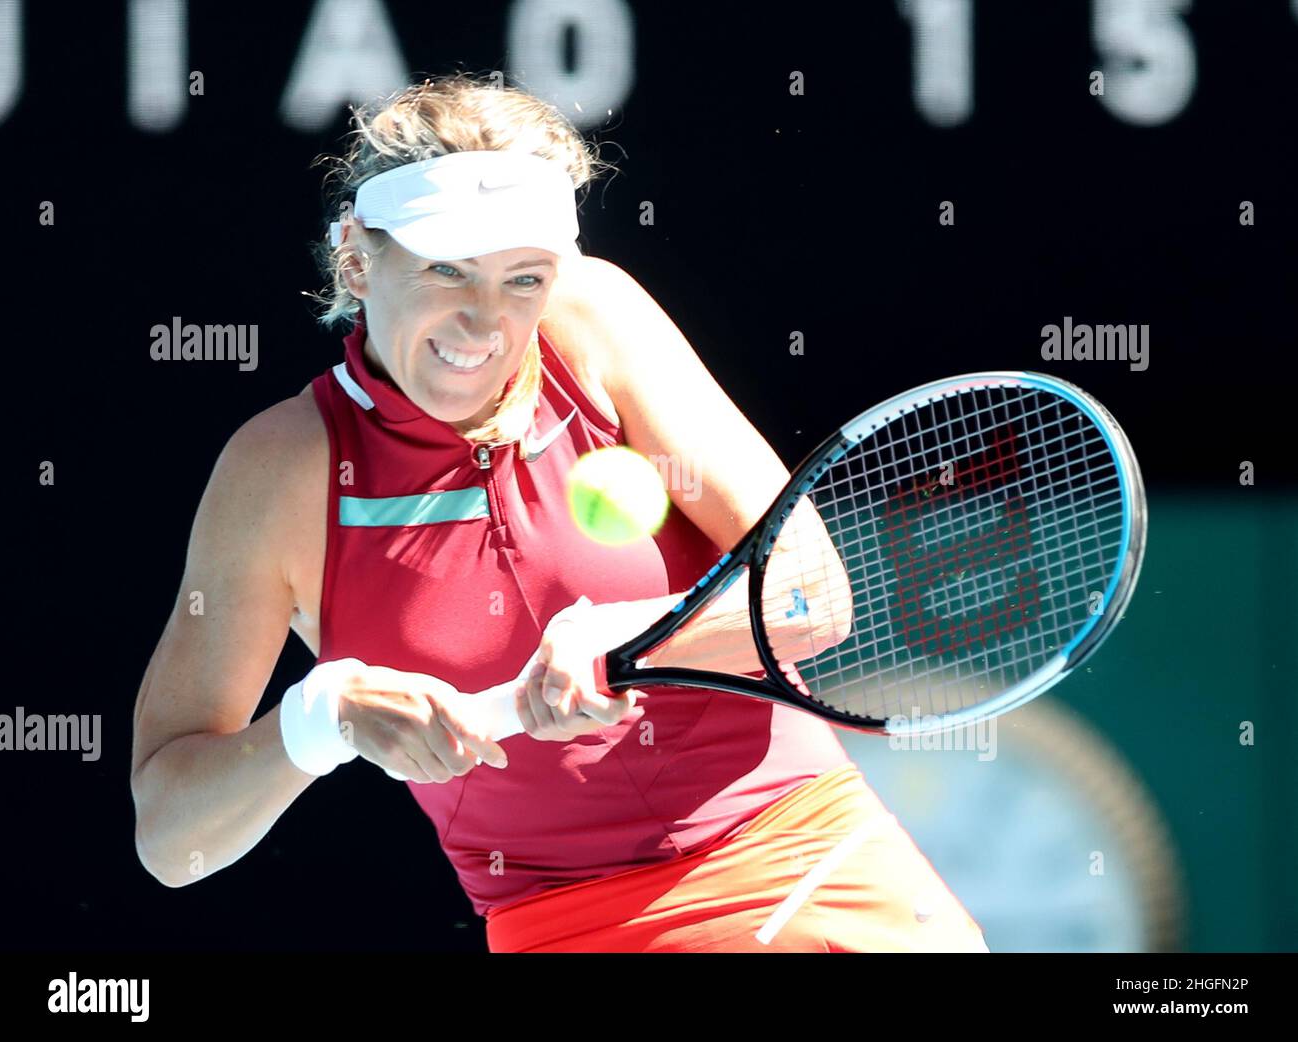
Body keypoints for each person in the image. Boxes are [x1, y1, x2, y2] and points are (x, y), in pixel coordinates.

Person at [130, 74, 989, 953]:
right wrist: (322, 719)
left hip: (811, 866)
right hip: (563, 929)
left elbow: (813, 596)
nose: (485, 323)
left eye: (524, 278)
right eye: (446, 270)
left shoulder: (594, 322)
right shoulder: (277, 471)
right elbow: (170, 837)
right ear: (356, 255)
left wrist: (632, 642)